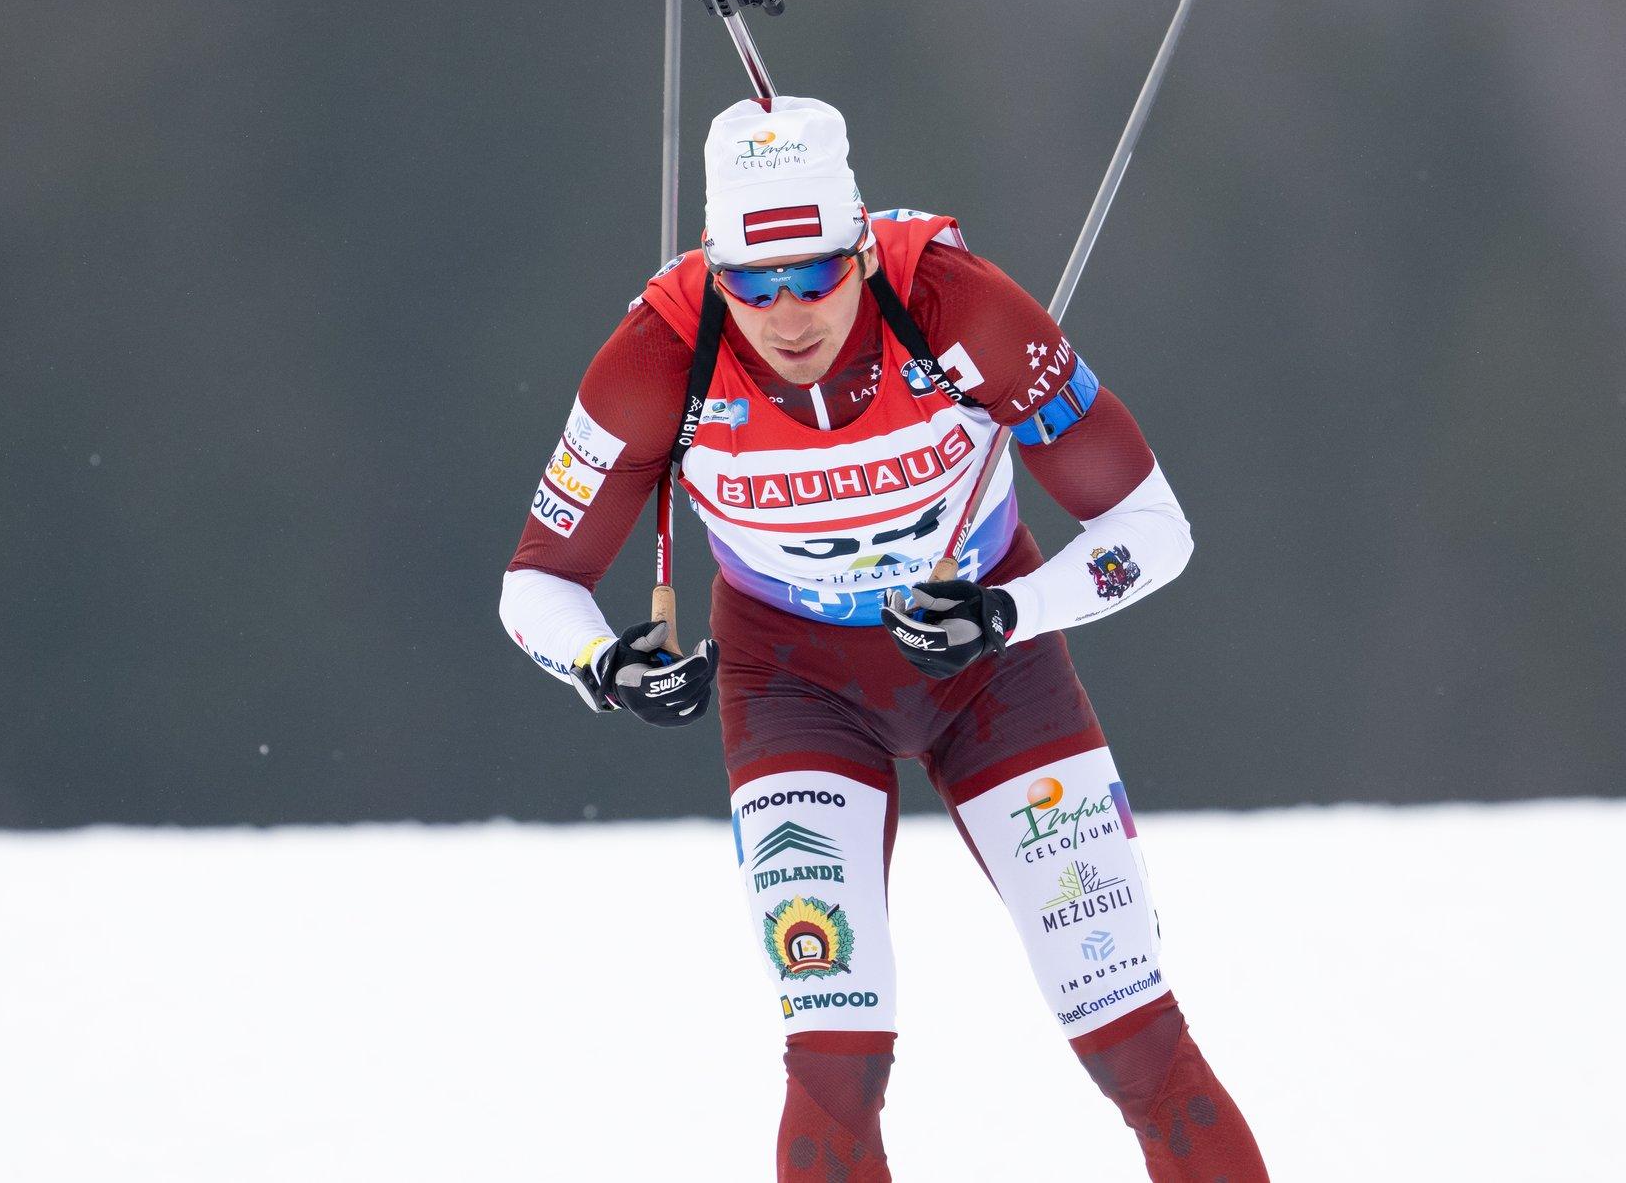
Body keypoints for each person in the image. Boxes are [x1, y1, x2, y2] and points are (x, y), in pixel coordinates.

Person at [500, 95, 1267, 1181]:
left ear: (860, 249)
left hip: (990, 672)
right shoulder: (655, 358)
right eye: (750, 284)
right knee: (834, 1058)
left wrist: (1008, 612)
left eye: (812, 273)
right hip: (791, 681)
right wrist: (602, 663)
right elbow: (536, 583)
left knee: (1132, 1039)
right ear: (714, 272)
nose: (786, 312)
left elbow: (1154, 530)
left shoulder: (956, 310)